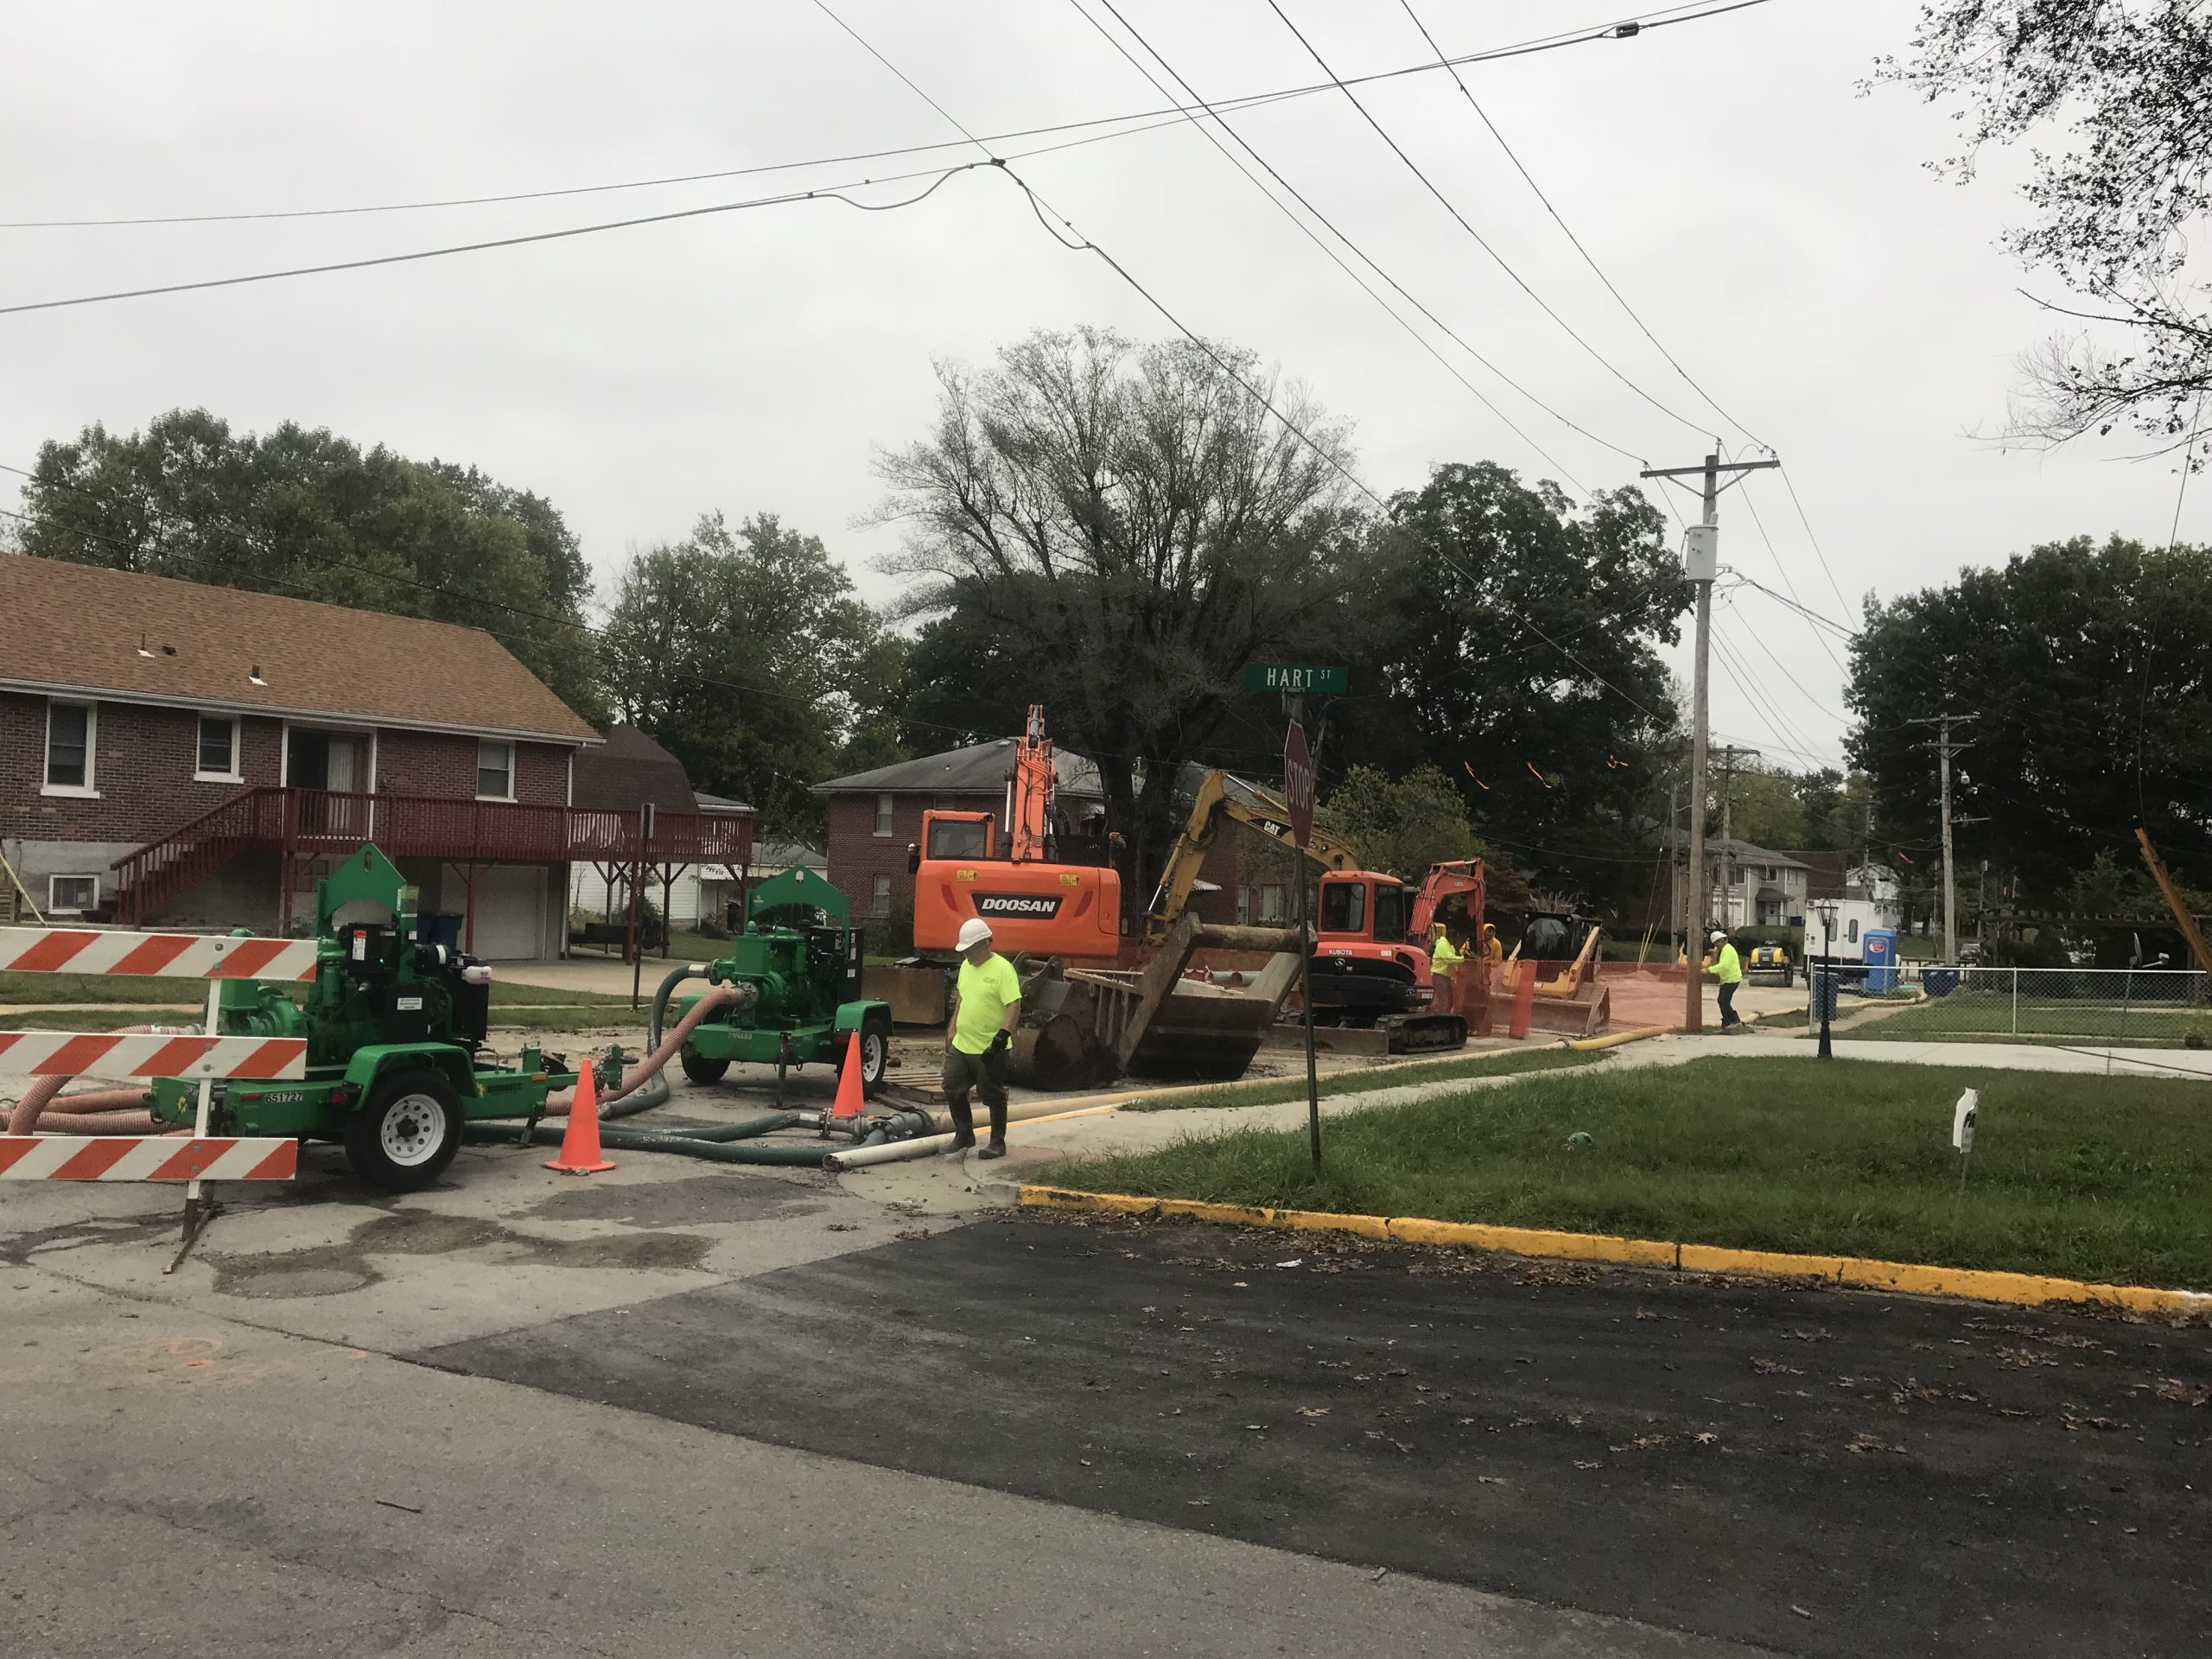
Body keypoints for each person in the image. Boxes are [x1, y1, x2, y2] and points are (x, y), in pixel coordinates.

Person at [945, 916, 1021, 1158]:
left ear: (985, 944)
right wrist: (952, 1027)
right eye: (964, 951)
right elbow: (962, 998)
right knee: (952, 1087)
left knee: (992, 1094)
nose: (966, 955)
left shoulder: (1003, 970)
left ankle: (997, 1142)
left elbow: (1014, 1004)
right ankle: (964, 1135)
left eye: (969, 950)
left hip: (990, 1048)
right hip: (963, 1044)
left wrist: (1002, 1037)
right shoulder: (966, 968)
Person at [1703, 925, 1745, 1030]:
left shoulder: (1727, 950)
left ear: (1721, 941)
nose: (1716, 946)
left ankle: (1734, 1020)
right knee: (1723, 1001)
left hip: (1731, 979)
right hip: (1729, 979)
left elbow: (1724, 965)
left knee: (1723, 1001)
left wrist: (1709, 970)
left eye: (1717, 943)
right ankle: (1727, 1022)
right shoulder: (1725, 949)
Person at [1428, 921, 1462, 1014]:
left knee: (1450, 1000)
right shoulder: (1443, 945)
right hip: (1439, 976)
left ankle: (1444, 1016)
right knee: (1443, 1000)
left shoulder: (1449, 946)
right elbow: (1450, 959)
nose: (1456, 941)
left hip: (1446, 977)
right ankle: (1440, 1018)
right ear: (1451, 937)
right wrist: (1462, 959)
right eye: (1456, 938)